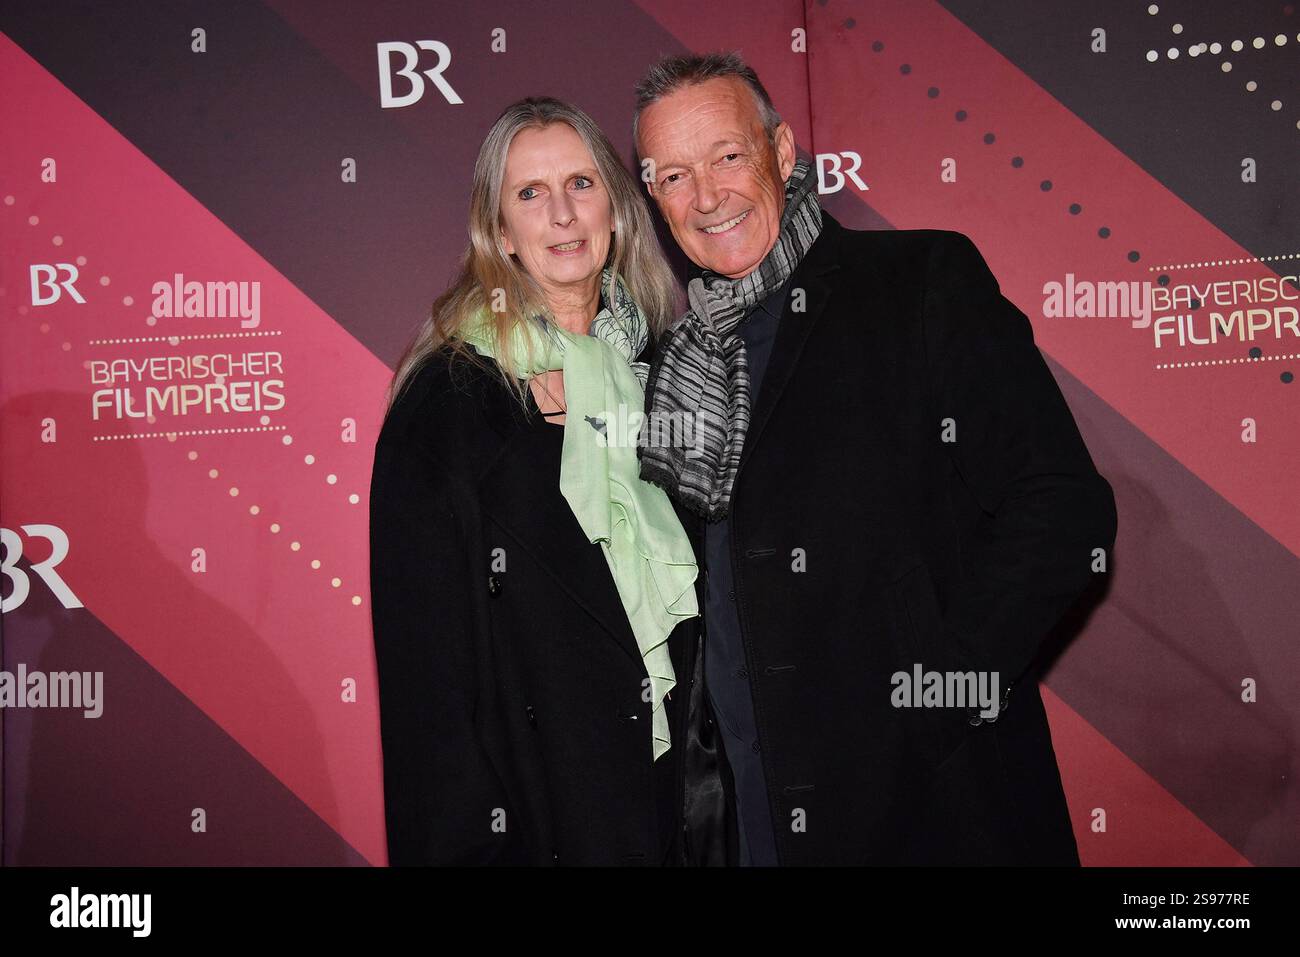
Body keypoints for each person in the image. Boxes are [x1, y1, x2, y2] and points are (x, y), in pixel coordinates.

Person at [631, 51, 1118, 865]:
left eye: (726, 156)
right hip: (757, 818)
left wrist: (938, 696)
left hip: (934, 813)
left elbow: (1064, 507)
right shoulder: (674, 369)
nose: (707, 196)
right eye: (674, 175)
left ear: (782, 154)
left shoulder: (917, 284)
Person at [368, 96, 704, 865]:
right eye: (530, 193)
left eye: (582, 184)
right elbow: (429, 691)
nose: (561, 213)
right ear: (499, 233)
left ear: (617, 211)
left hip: (674, 810)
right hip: (538, 821)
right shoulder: (448, 403)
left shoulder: (671, 380)